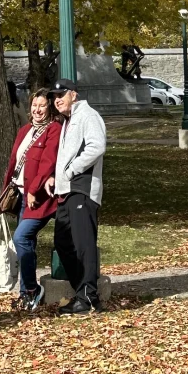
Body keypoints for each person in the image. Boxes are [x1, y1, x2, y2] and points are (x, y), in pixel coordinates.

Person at [45, 78, 107, 315]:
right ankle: (82, 292)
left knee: (83, 245)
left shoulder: (87, 115)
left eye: (61, 95)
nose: (56, 100)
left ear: (74, 94)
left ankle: (89, 296)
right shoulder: (68, 120)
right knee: (63, 242)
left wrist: (71, 170)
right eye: (54, 97)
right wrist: (56, 176)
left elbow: (97, 146)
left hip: (82, 188)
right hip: (66, 190)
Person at [1, 89, 61, 311]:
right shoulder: (25, 130)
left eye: (42, 106)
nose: (37, 110)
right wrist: (6, 192)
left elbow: (47, 163)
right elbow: (14, 163)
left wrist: (34, 189)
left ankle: (31, 290)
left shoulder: (53, 130)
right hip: (18, 193)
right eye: (34, 105)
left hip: (38, 198)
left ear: (50, 108)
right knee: (26, 242)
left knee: (21, 238)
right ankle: (25, 293)